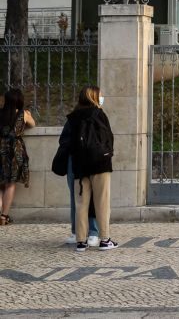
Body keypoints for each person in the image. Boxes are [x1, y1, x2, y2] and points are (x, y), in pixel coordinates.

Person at [67, 86, 117, 251]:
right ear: (94, 97)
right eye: (100, 95)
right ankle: (105, 239)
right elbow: (108, 137)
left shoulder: (73, 117)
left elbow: (69, 143)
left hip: (80, 166)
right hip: (99, 164)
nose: (102, 97)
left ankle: (81, 241)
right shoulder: (99, 115)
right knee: (102, 202)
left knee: (81, 203)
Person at [58, 114, 99, 245]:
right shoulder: (73, 119)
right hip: (75, 159)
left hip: (92, 158)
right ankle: (77, 231)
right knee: (76, 195)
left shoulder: (98, 116)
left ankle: (93, 231)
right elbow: (64, 140)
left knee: (93, 196)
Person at [0, 88, 35, 225]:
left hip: (0, 148)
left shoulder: (0, 114)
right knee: (10, 183)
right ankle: (4, 217)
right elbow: (33, 124)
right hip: (15, 150)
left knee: (1, 184)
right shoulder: (23, 114)